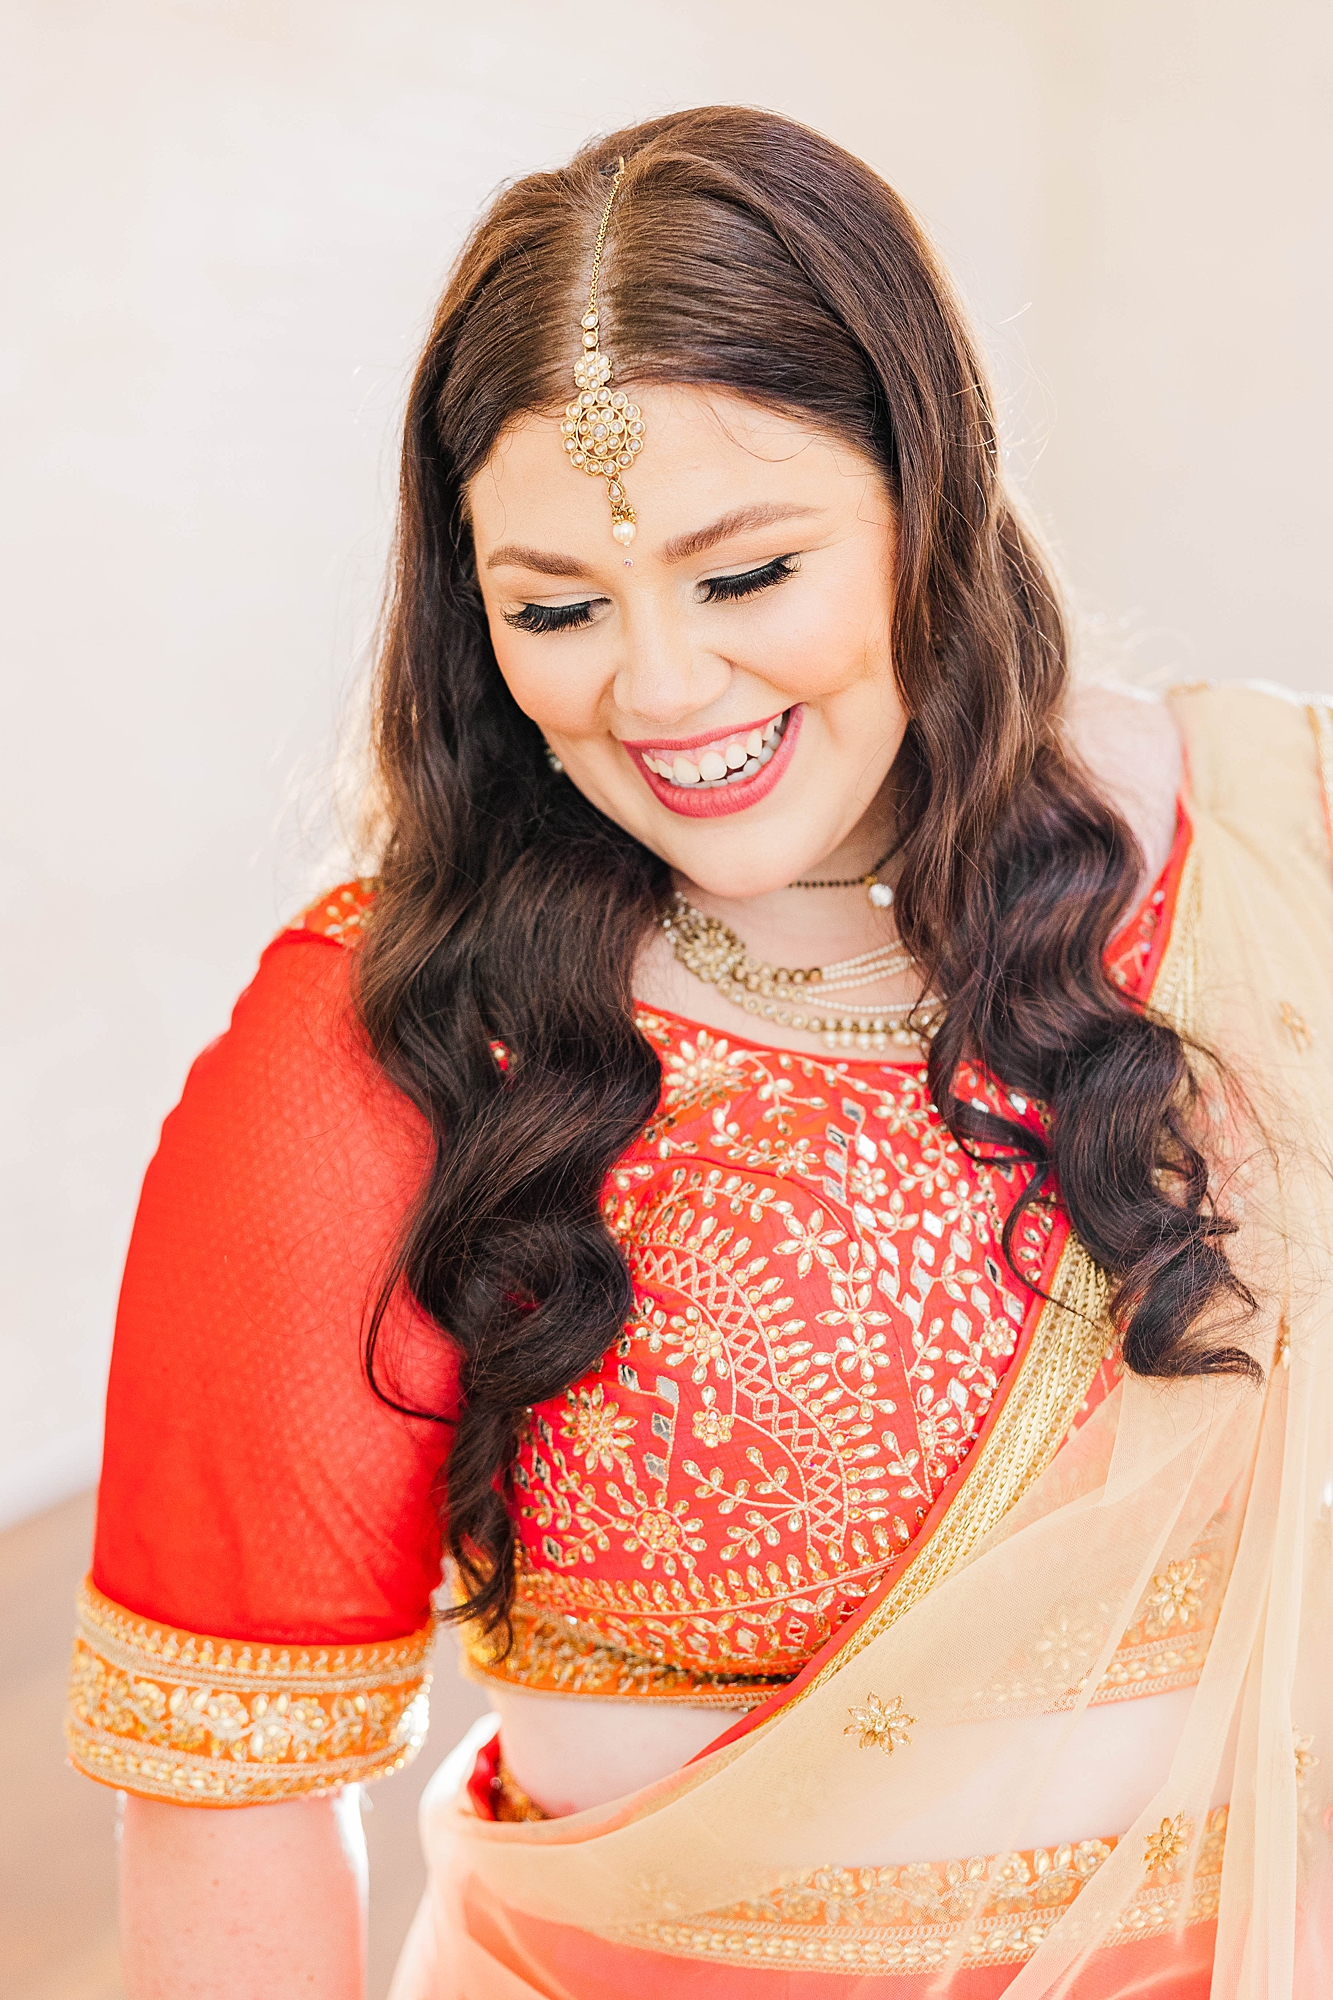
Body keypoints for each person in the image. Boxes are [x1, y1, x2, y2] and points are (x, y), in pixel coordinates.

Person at [67, 107, 1333, 1999]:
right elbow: (223, 1798)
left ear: (934, 491)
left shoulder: (1274, 846)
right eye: (555, 609)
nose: (657, 688)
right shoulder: (381, 1050)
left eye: (746, 575)